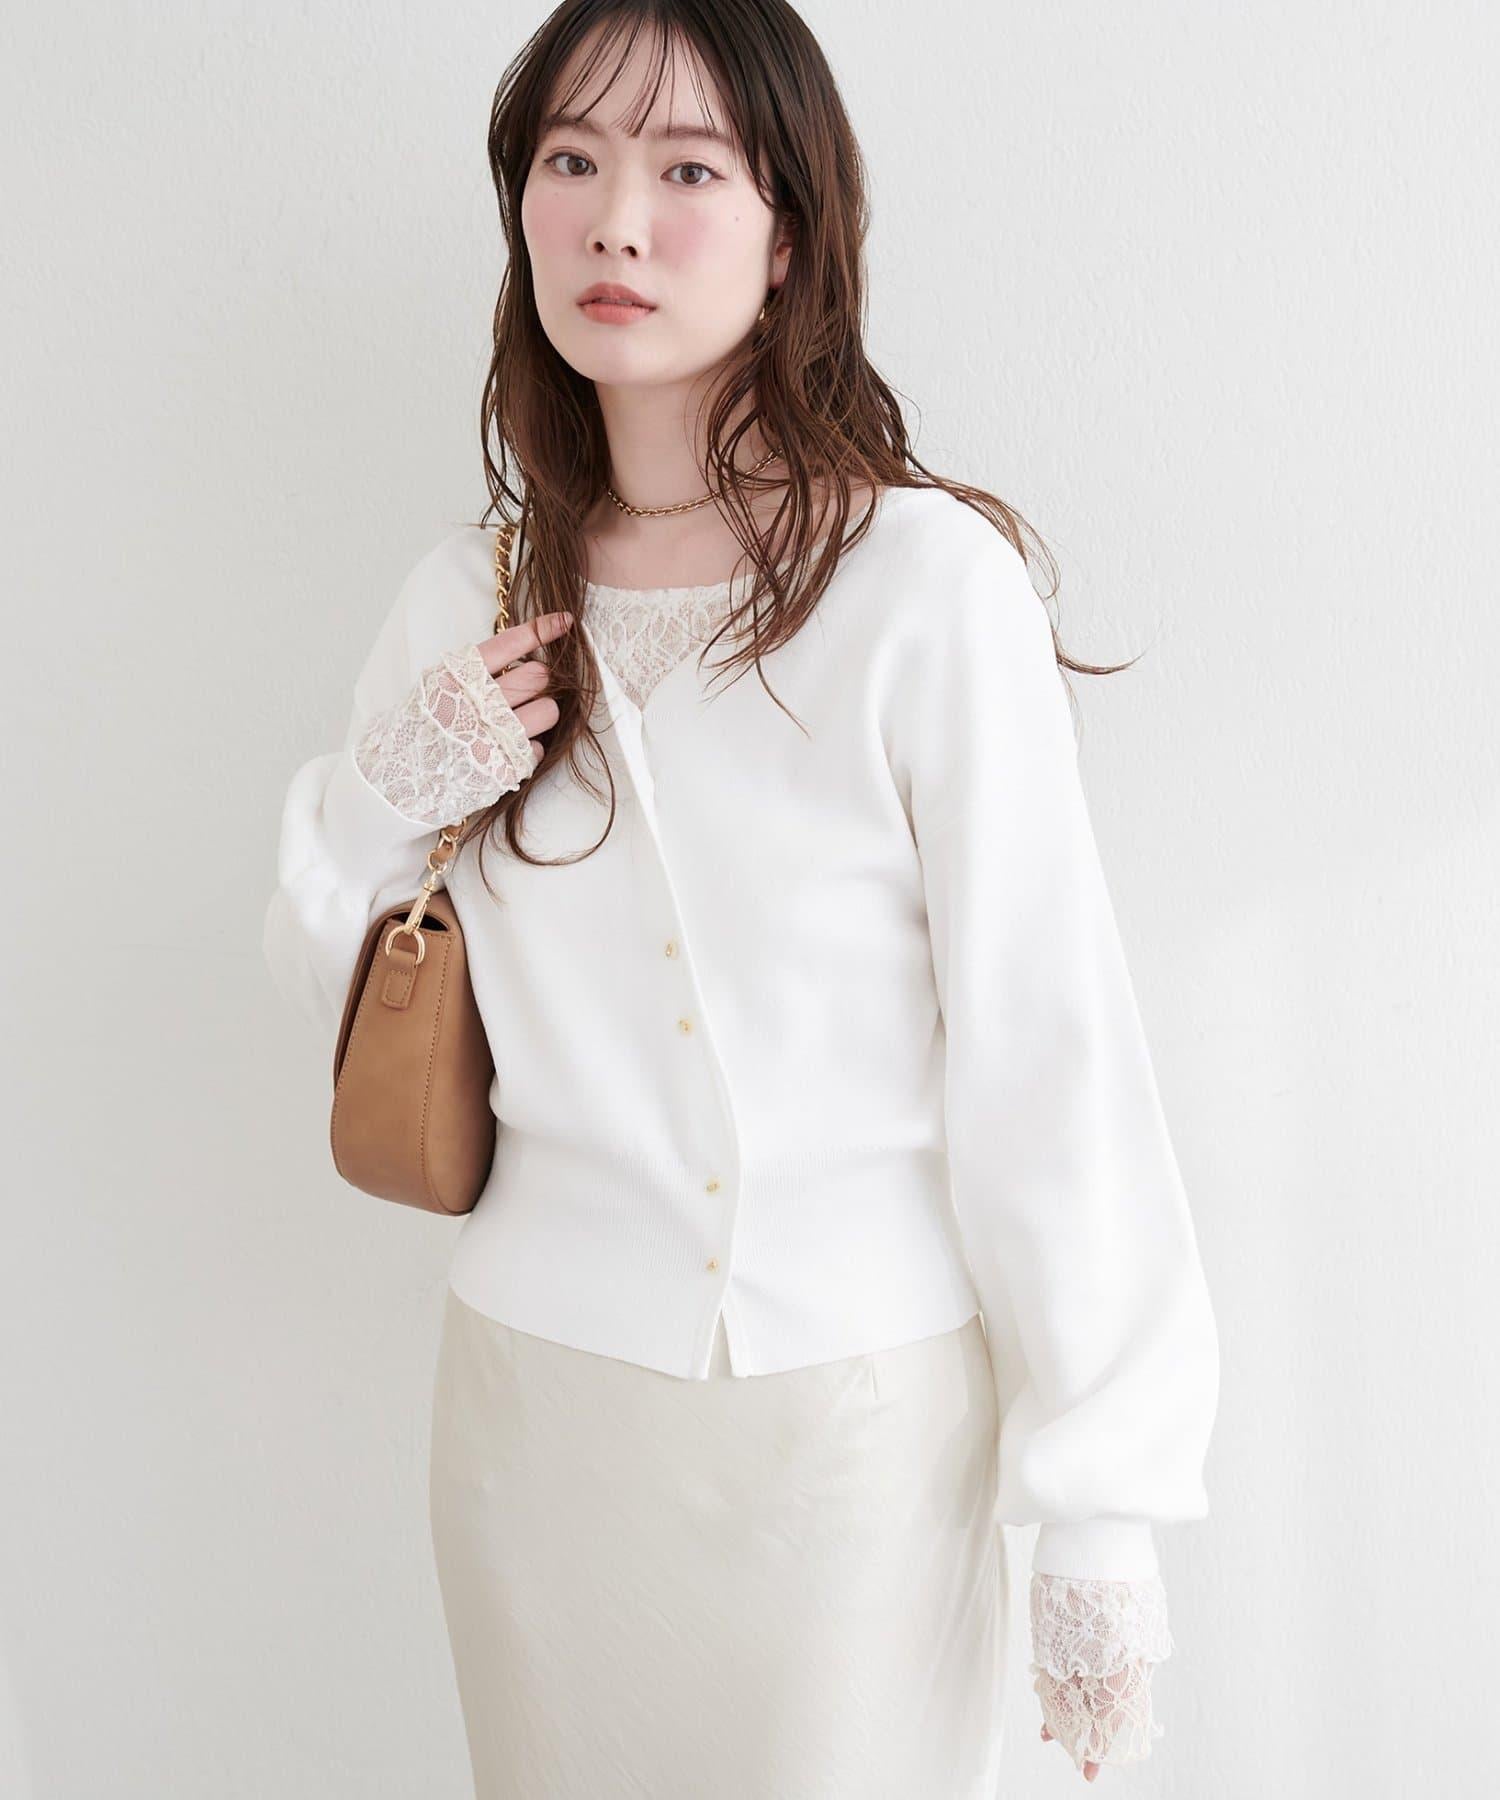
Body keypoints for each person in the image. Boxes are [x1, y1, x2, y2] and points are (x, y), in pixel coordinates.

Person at [262, 4, 1220, 1795]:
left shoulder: (921, 585)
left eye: (688, 168)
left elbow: (1048, 1048)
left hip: (857, 1438)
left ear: (790, 238)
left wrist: (1101, 1500)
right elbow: (335, 999)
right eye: (572, 160)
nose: (618, 220)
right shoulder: (467, 595)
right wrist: (391, 789)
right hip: (533, 1422)